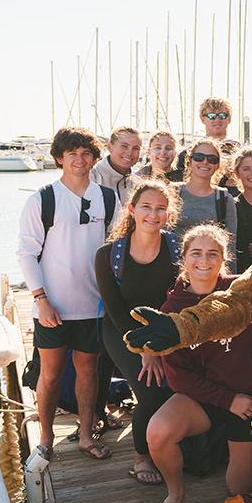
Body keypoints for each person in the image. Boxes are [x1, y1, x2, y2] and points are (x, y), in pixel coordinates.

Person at [144, 226, 252, 503]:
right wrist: (226, 400)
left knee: (239, 489)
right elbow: (179, 378)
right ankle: (176, 496)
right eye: (196, 253)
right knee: (157, 432)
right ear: (183, 258)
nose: (204, 260)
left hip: (250, 394)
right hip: (208, 396)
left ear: (223, 260)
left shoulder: (241, 293)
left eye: (212, 254)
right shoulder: (171, 310)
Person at [17, 126, 117, 462]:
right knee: (50, 374)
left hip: (94, 306)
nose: (79, 159)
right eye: (71, 153)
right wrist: (41, 300)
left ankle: (86, 434)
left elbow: (114, 249)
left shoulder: (108, 198)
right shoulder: (42, 199)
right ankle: (45, 438)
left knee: (88, 371)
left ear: (94, 158)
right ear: (59, 158)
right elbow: (26, 254)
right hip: (53, 307)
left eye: (85, 153)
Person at [94, 178, 181, 487]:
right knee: (151, 390)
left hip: (166, 328)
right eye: (145, 207)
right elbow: (116, 310)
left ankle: (172, 439)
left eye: (160, 209)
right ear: (131, 210)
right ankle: (142, 455)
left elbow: (179, 299)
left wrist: (160, 344)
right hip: (122, 330)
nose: (152, 215)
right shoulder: (108, 256)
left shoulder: (177, 251)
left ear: (168, 214)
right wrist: (147, 351)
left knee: (180, 387)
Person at [175, 138, 236, 234]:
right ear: (190, 161)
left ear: (218, 165)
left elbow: (230, 242)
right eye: (199, 157)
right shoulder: (173, 192)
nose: (205, 162)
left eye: (212, 159)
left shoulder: (224, 199)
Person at [91, 125, 142, 207]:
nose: (129, 153)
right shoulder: (92, 178)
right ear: (109, 147)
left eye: (136, 148)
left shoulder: (137, 184)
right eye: (124, 146)